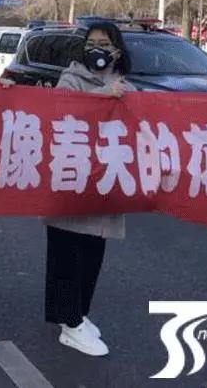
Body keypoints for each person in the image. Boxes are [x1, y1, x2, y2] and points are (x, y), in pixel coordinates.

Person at [46, 22, 135, 357]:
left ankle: (78, 314)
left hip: (105, 181)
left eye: (105, 43)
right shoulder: (71, 78)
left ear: (117, 50)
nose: (97, 49)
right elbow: (62, 111)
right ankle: (69, 323)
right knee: (66, 254)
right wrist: (102, 97)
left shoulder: (125, 85)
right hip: (73, 178)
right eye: (91, 42)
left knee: (92, 254)